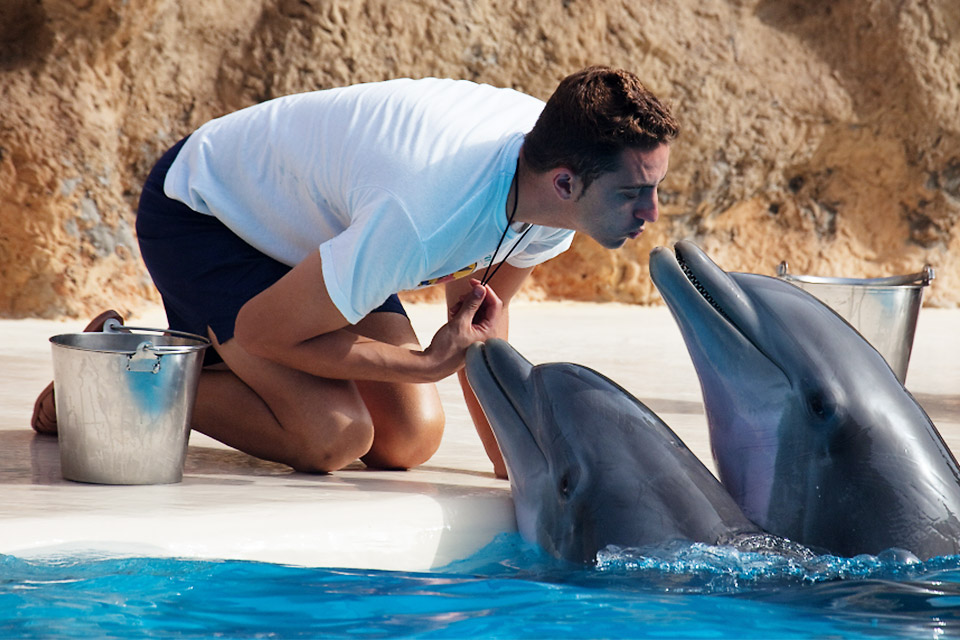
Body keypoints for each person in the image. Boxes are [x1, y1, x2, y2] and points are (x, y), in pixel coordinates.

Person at [33, 66, 679, 478]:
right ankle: (104, 379)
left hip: (314, 233)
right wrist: (425, 365)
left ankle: (208, 359)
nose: (652, 213)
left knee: (408, 440)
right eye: (633, 194)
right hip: (208, 212)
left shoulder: (551, 188)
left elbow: (481, 323)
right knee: (331, 436)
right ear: (564, 183)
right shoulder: (423, 212)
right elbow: (266, 331)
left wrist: (518, 465)